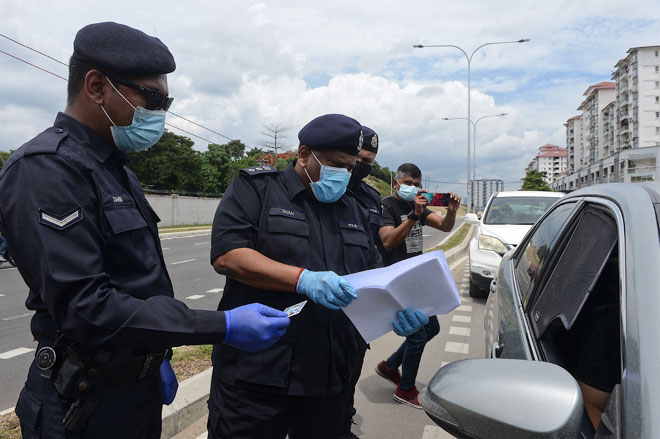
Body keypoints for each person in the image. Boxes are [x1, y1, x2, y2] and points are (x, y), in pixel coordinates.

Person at [0, 22, 289, 439]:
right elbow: (86, 307)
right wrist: (221, 325)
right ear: (96, 86)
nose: (160, 113)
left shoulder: (115, 170)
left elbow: (136, 282)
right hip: (82, 405)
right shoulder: (46, 169)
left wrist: (157, 351)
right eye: (152, 98)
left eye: (165, 101)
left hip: (134, 387)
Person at [208, 114, 429, 438]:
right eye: (335, 164)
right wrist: (303, 279)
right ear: (304, 154)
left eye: (350, 167)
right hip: (257, 377)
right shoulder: (257, 189)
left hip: (329, 378)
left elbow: (371, 277)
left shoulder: (354, 208)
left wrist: (395, 309)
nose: (343, 174)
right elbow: (228, 255)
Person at [375, 163, 462, 408]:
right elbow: (388, 242)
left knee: (431, 327)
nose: (413, 188)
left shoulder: (419, 207)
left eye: (417, 184)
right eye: (408, 183)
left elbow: (445, 226)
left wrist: (453, 211)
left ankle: (390, 366)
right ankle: (405, 390)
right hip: (395, 280)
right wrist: (414, 215)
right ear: (396, 183)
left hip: (415, 279)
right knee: (417, 334)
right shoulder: (386, 206)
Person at [343, 125, 381, 438]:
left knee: (349, 372)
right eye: (358, 158)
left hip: (357, 311)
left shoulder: (371, 198)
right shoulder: (321, 186)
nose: (361, 166)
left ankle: (343, 420)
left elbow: (374, 252)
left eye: (369, 162)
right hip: (314, 303)